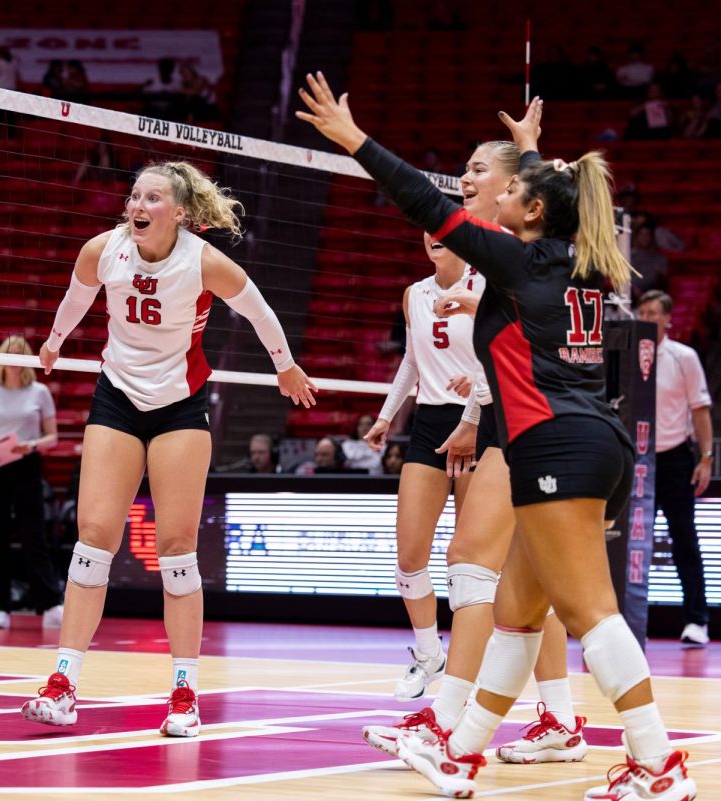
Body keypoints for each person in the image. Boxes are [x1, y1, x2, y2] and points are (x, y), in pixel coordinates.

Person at [300, 70, 695, 799]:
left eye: (513, 188)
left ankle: (657, 762)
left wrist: (354, 139)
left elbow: (420, 199)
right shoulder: (582, 256)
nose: (491, 192)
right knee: (515, 618)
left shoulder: (517, 259)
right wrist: (534, 151)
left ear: (534, 208)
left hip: (552, 442)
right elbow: (564, 205)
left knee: (592, 616)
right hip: (590, 438)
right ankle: (459, 751)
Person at [20, 160, 317, 738]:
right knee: (94, 541)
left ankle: (184, 694)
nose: (137, 204)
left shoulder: (203, 261)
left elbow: (259, 310)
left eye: (151, 197)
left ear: (178, 213)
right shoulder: (102, 250)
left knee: (177, 550)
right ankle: (62, 684)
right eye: (134, 195)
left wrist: (285, 367)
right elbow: (75, 301)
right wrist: (53, 344)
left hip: (180, 403)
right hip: (117, 397)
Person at [362, 131, 591, 767]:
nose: (464, 177)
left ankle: (445, 719)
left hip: (526, 426)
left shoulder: (513, 248)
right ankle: (558, 720)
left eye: (480, 170)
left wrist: (472, 406)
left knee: (474, 564)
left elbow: (524, 350)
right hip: (518, 420)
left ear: (519, 190)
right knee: (528, 585)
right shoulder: (503, 249)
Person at [359, 231, 480, 701]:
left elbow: (504, 352)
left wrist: (478, 385)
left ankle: (470, 669)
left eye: (443, 229)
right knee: (409, 557)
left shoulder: (485, 286)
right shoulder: (415, 293)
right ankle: (430, 656)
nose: (434, 237)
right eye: (428, 230)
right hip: (429, 421)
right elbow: (412, 359)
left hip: (478, 420)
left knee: (471, 560)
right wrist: (387, 417)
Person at [0, 336, 63, 630]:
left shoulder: (40, 391)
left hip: (25, 464)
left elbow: (53, 437)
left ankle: (49, 604)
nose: (13, 355)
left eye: (19, 351)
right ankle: (0, 607)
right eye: (8, 351)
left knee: (33, 535)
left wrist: (32, 445)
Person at [637, 290, 713, 646]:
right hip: (637, 459)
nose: (649, 318)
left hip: (675, 457)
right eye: (644, 312)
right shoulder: (627, 355)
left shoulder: (685, 357)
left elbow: (700, 409)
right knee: (634, 545)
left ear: (668, 318)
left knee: (685, 540)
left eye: (655, 313)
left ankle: (696, 620)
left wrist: (706, 458)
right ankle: (631, 622)